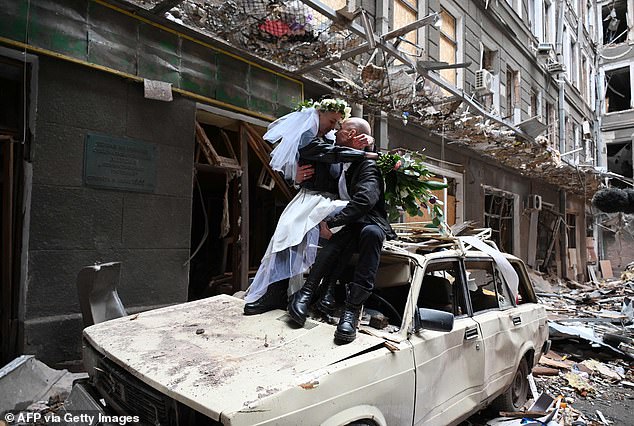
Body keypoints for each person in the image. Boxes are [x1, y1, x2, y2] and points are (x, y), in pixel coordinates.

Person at [243, 101, 377, 314]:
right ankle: (277, 291)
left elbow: (362, 169)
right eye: (332, 122)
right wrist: (296, 178)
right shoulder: (311, 139)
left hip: (330, 203)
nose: (334, 128)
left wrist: (369, 146)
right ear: (318, 115)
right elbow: (317, 155)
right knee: (286, 235)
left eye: (337, 124)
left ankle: (323, 291)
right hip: (310, 199)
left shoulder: (337, 141)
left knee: (333, 236)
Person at [288, 118, 396, 343]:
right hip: (350, 224)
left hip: (368, 222)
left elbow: (365, 201)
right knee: (345, 234)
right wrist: (295, 177)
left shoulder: (368, 167)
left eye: (340, 129)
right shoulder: (342, 160)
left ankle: (351, 311)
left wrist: (333, 223)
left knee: (370, 234)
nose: (335, 133)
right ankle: (307, 293)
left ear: (352, 134)